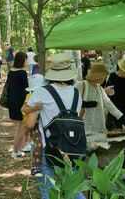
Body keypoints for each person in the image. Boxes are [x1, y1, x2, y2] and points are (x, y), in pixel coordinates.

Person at [22, 53, 85, 199]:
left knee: (48, 190)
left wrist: (34, 107)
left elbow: (25, 110)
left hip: (50, 147)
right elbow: (79, 115)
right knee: (73, 188)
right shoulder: (76, 93)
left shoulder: (42, 92)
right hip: (73, 147)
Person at [79, 62, 125, 143]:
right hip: (83, 130)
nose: (105, 79)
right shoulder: (81, 85)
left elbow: (111, 107)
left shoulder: (100, 89)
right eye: (104, 76)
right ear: (98, 76)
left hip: (99, 131)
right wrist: (87, 104)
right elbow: (73, 104)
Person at [22, 73, 47, 177]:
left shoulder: (45, 95)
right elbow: (23, 109)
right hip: (34, 124)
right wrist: (34, 108)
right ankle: (36, 166)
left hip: (43, 123)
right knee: (39, 144)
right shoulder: (30, 96)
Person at [5, 51, 29, 158]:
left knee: (20, 127)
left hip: (12, 102)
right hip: (20, 103)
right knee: (21, 128)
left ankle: (19, 149)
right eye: (26, 59)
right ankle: (15, 150)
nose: (27, 62)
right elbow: (27, 89)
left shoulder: (11, 72)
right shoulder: (22, 73)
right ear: (22, 60)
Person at [105, 57, 125, 130]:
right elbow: (104, 94)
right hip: (112, 112)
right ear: (120, 69)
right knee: (113, 136)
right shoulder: (111, 77)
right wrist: (105, 91)